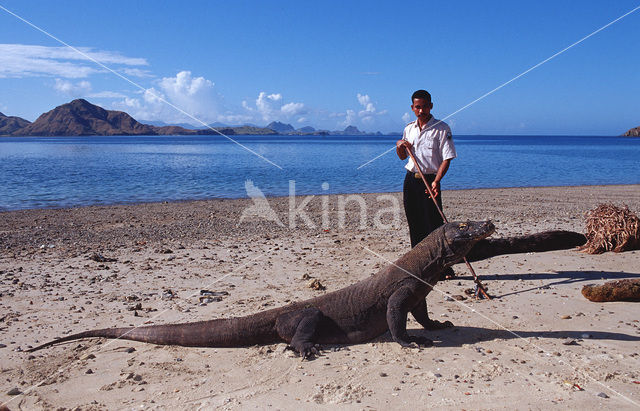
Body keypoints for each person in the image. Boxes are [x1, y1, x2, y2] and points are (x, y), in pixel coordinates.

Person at [396, 89, 456, 249]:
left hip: (430, 180)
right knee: (414, 222)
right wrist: (399, 146)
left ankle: (443, 266)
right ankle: (419, 264)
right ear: (412, 108)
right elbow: (402, 156)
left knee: (434, 223)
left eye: (424, 106)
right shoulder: (409, 129)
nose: (421, 111)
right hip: (411, 180)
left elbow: (447, 158)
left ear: (431, 106)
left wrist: (437, 181)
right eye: (417, 107)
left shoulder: (442, 128)